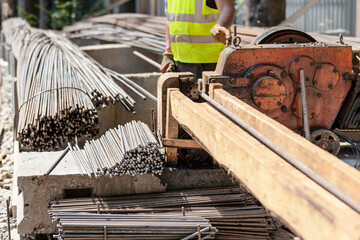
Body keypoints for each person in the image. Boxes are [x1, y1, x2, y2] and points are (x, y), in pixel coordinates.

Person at [160, 0, 235, 80]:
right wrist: (168, 52)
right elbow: (170, 19)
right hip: (180, 61)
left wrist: (220, 25)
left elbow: (228, 8)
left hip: (211, 62)